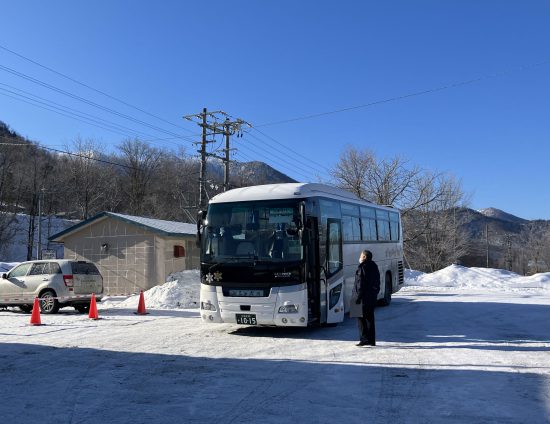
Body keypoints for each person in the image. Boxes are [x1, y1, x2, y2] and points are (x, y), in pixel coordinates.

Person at [352, 250, 380, 347]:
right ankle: (372, 340)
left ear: (364, 257)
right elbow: (377, 282)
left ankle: (364, 339)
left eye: (361, 255)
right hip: (371, 297)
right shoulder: (374, 265)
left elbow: (360, 285)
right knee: (370, 319)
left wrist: (358, 298)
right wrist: (374, 293)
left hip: (362, 297)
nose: (359, 257)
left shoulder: (362, 267)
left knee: (360, 319)